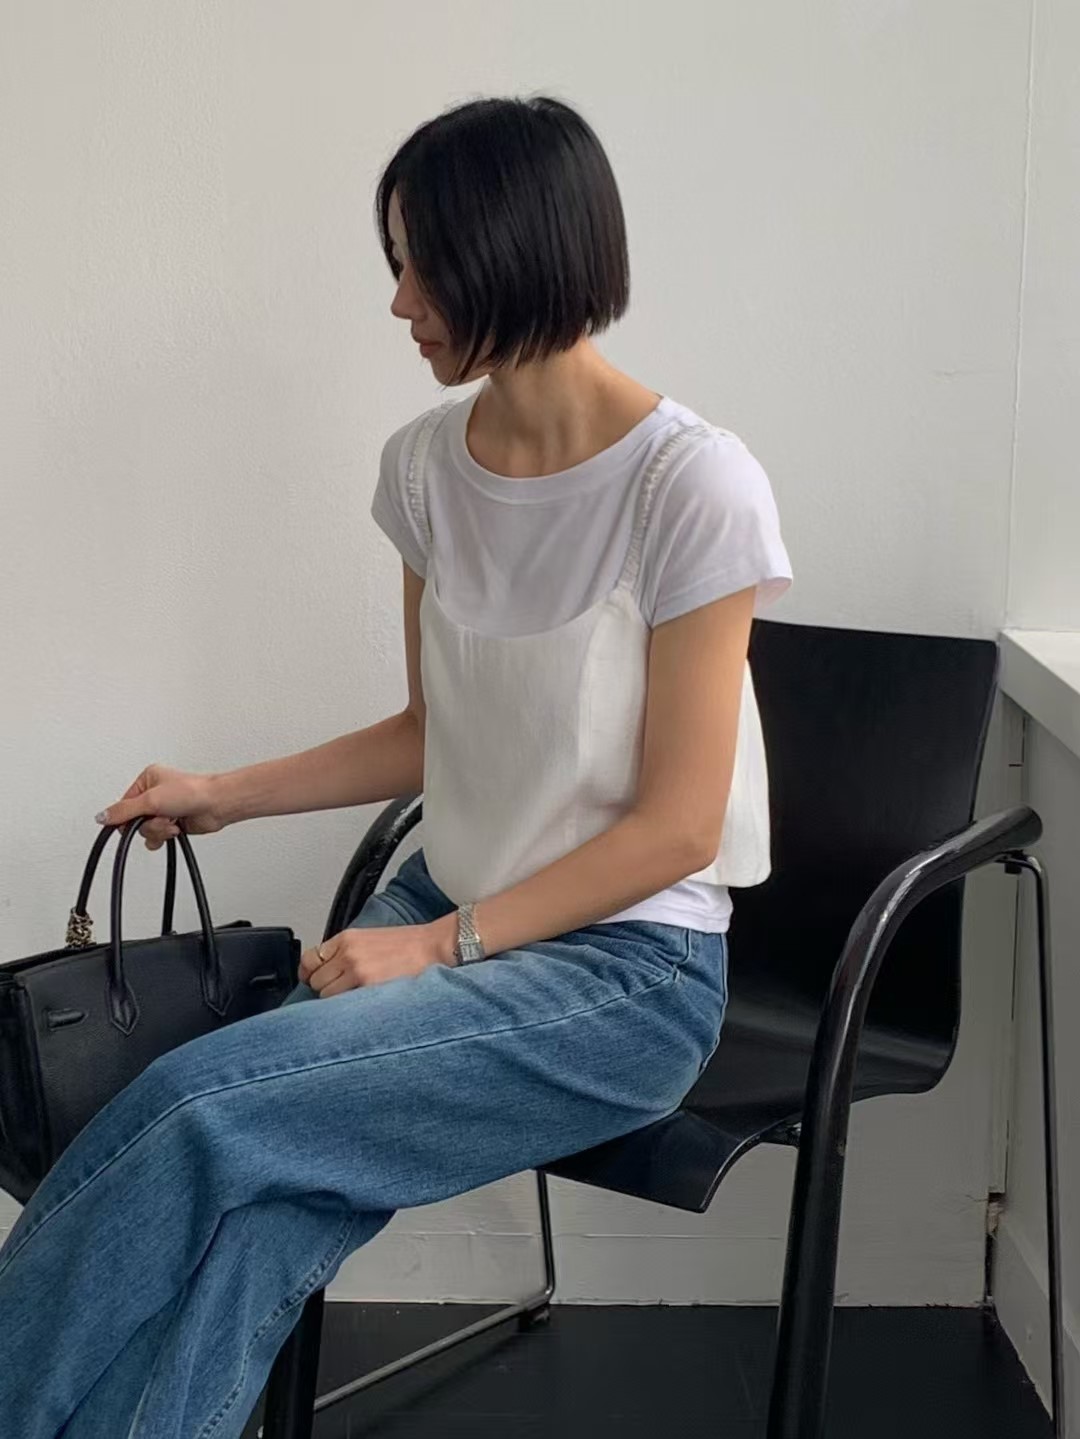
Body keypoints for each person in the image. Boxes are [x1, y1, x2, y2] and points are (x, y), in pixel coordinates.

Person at [0, 94, 791, 1437]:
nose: (399, 302)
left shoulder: (692, 488)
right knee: (259, 1203)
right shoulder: (426, 470)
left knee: (198, 1107)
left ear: (515, 253)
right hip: (445, 904)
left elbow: (677, 830)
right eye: (398, 263)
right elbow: (435, 731)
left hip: (624, 974)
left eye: (423, 264)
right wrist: (221, 793)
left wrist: (436, 948)